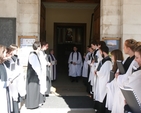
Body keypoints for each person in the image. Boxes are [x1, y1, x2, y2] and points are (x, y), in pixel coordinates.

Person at [111, 39, 138, 113]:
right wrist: (118, 74)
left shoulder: (134, 61)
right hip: (120, 86)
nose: (123, 49)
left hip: (126, 87)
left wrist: (119, 77)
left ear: (128, 48)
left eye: (124, 47)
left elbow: (129, 76)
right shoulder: (127, 59)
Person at [25, 41, 45, 109]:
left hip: (34, 76)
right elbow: (36, 67)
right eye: (40, 46)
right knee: (33, 90)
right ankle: (32, 104)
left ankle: (35, 103)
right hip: (33, 76)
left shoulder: (34, 54)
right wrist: (40, 75)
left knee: (35, 89)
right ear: (38, 47)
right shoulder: (33, 55)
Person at [94, 45, 113, 113]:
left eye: (100, 51)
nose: (99, 53)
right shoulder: (104, 60)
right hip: (100, 80)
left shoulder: (107, 61)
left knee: (102, 96)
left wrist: (97, 72)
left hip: (103, 81)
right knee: (99, 95)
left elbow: (103, 73)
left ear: (103, 52)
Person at [0, 45, 13, 113]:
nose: (6, 54)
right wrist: (7, 83)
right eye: (5, 52)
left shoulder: (3, 64)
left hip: (5, 89)